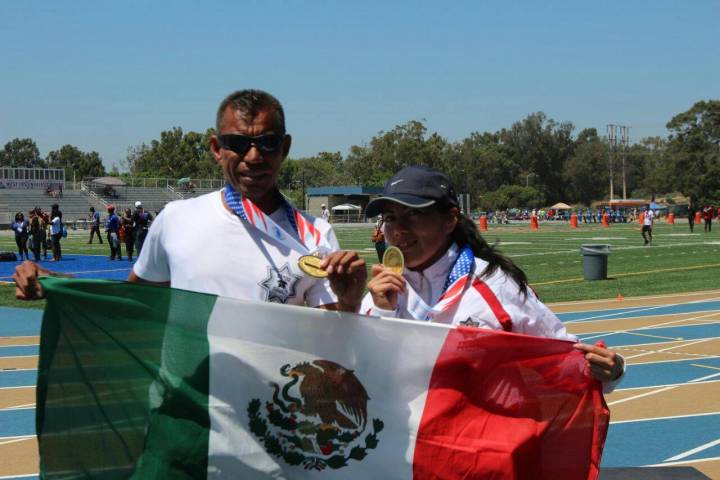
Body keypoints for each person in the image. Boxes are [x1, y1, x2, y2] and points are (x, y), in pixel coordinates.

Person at [15, 89, 365, 312]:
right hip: (188, 404)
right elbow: (133, 303)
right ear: (216, 148)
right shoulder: (176, 219)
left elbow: (330, 345)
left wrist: (349, 302)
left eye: (268, 143)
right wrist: (55, 283)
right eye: (238, 144)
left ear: (285, 148)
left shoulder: (315, 236)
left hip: (270, 406)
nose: (254, 156)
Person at [359, 165, 624, 388]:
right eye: (390, 218)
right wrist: (380, 312)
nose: (399, 229)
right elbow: (362, 373)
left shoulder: (495, 286)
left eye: (414, 214)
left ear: (450, 219)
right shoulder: (379, 294)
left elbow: (563, 356)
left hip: (477, 434)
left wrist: (612, 371)